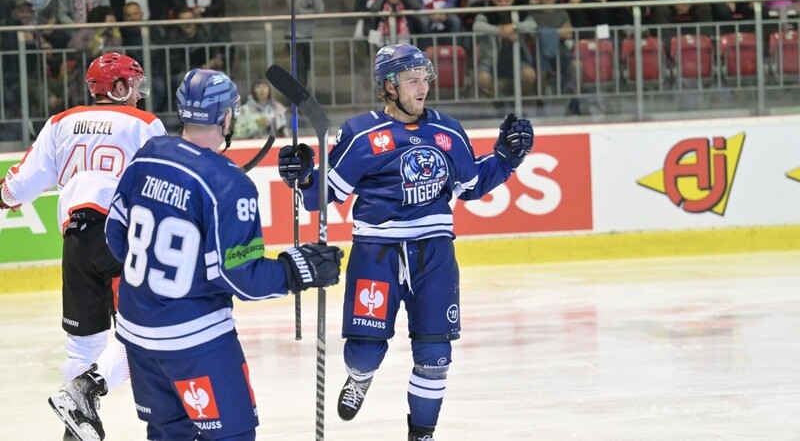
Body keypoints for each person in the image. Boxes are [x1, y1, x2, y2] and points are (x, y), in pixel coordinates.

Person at [276, 43, 533, 440]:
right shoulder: (362, 134)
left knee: (435, 356)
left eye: (424, 78)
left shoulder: (447, 131)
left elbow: (471, 184)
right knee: (364, 351)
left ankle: (421, 434)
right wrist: (303, 177)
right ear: (389, 87)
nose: (423, 87)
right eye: (412, 80)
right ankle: (359, 378)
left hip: (434, 254)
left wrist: (506, 157)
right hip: (375, 253)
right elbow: (322, 196)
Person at [103, 68, 343, 440]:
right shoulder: (230, 183)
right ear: (227, 116)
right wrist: (301, 269)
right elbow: (240, 278)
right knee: (232, 435)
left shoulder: (147, 155)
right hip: (194, 341)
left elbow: (115, 238)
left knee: (168, 434)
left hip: (136, 333)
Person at [0, 52, 165, 441]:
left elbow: (17, 188)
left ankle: (74, 431)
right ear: (119, 86)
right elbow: (164, 184)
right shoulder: (144, 124)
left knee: (81, 346)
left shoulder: (61, 122)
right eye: (135, 84)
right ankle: (87, 388)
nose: (139, 93)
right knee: (144, 335)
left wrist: (4, 198)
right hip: (122, 238)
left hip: (74, 238)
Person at [472, 0, 538, 99]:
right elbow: (477, 26)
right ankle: (497, 101)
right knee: (483, 79)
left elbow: (532, 25)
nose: (503, 4)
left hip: (517, 57)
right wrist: (500, 31)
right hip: (492, 58)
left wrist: (514, 27)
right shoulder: (487, 11)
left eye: (506, 1)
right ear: (494, 0)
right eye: (500, 1)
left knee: (529, 75)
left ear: (512, 0)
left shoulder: (519, 11)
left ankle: (517, 101)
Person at [285, 0, 324, 87]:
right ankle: (298, 96)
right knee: (299, 68)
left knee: (306, 68)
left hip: (308, 35)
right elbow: (296, 11)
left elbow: (320, 9)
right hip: (294, 35)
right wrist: (311, 13)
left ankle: (303, 94)